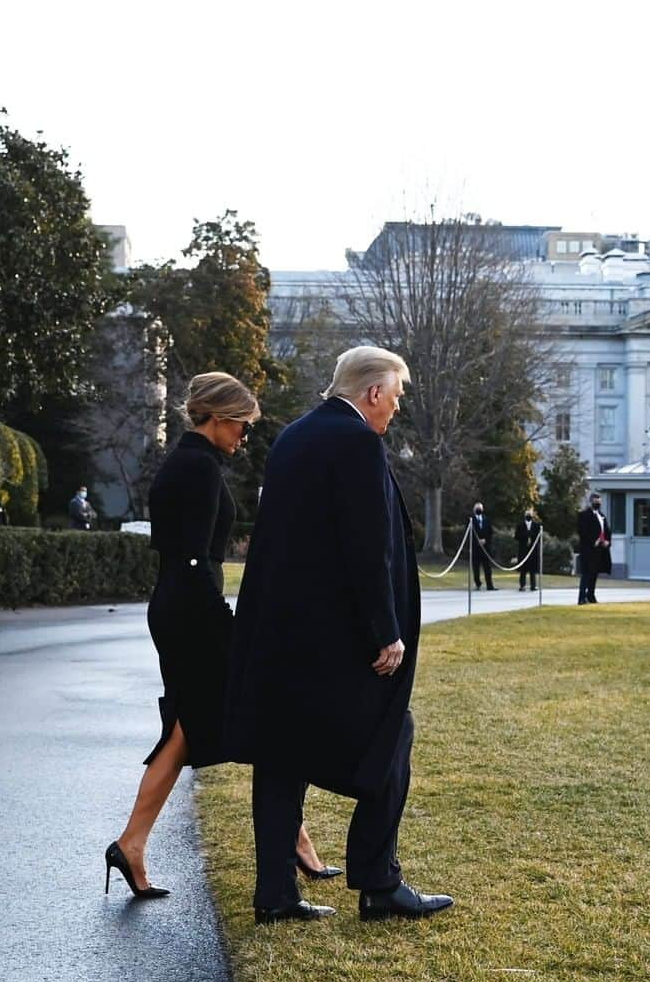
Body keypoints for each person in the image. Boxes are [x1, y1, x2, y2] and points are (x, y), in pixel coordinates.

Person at [227, 346, 453, 925]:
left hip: (281, 638)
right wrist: (386, 631)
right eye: (396, 397)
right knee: (392, 733)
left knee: (281, 759)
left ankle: (275, 894)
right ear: (373, 392)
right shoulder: (356, 442)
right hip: (333, 640)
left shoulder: (295, 436)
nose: (396, 409)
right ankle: (379, 883)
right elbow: (365, 545)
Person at [105, 372, 336, 899]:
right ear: (219, 417)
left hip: (180, 607)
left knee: (190, 730)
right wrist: (229, 627)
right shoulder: (198, 469)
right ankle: (295, 843)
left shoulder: (188, 463)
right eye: (242, 425)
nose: (245, 436)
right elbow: (191, 563)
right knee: (259, 714)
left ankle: (133, 845)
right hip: (193, 612)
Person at [577, 492, 612, 605]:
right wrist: (593, 541)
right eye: (596, 502)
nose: (598, 504)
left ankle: (591, 595)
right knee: (586, 574)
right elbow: (582, 531)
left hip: (599, 550)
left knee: (594, 574)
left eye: (599, 502)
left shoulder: (602, 516)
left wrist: (607, 541)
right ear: (591, 502)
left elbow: (606, 530)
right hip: (588, 549)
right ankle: (582, 597)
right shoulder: (584, 515)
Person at [469, 502, 497, 590]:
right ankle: (478, 584)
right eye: (477, 508)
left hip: (486, 548)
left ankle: (490, 585)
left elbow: (490, 532)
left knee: (487, 568)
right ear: (474, 510)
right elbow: (468, 534)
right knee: (476, 568)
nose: (478, 510)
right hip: (475, 548)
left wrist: (485, 540)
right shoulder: (471, 520)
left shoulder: (486, 520)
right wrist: (477, 541)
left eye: (480, 508)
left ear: (482, 509)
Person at [514, 508, 541, 591]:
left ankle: (533, 585)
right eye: (527, 514)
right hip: (523, 550)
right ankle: (522, 585)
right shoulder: (520, 525)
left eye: (530, 514)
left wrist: (531, 535)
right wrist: (526, 534)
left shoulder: (536, 525)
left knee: (533, 570)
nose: (528, 516)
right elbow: (516, 537)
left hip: (533, 550)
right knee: (523, 570)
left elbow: (538, 538)